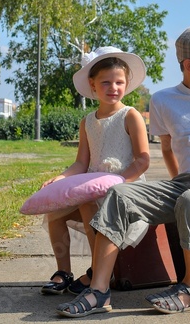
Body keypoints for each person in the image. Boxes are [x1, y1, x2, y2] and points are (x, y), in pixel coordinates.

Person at [56, 25, 190, 317]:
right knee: (120, 194)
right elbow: (167, 149)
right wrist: (178, 181)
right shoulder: (163, 100)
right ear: (189, 65)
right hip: (185, 182)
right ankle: (99, 291)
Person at [41, 46, 150, 295]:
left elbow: (143, 160)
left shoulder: (130, 116)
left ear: (127, 83)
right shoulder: (87, 121)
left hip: (124, 188)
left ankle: (98, 270)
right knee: (55, 211)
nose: (113, 87)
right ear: (93, 84)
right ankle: (64, 272)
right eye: (106, 82)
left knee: (87, 203)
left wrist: (119, 180)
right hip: (93, 187)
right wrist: (60, 178)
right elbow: (81, 163)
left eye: (119, 82)